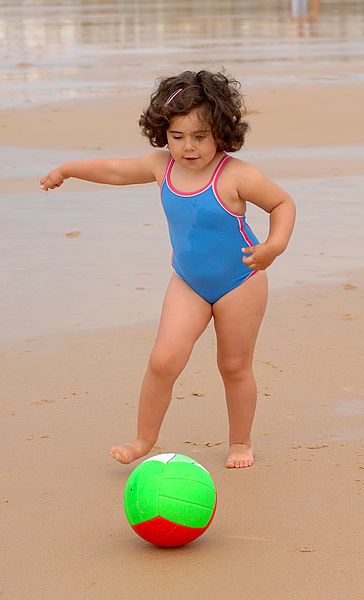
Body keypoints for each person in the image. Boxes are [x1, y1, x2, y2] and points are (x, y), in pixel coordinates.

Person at [40, 69, 296, 469]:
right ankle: (144, 439)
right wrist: (68, 169)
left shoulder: (236, 175)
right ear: (163, 131)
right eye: (177, 137)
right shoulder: (162, 167)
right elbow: (113, 171)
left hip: (241, 280)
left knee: (233, 365)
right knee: (163, 360)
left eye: (200, 137)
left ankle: (241, 442)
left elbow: (282, 204)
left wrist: (273, 248)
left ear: (221, 133)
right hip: (189, 281)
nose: (188, 148)